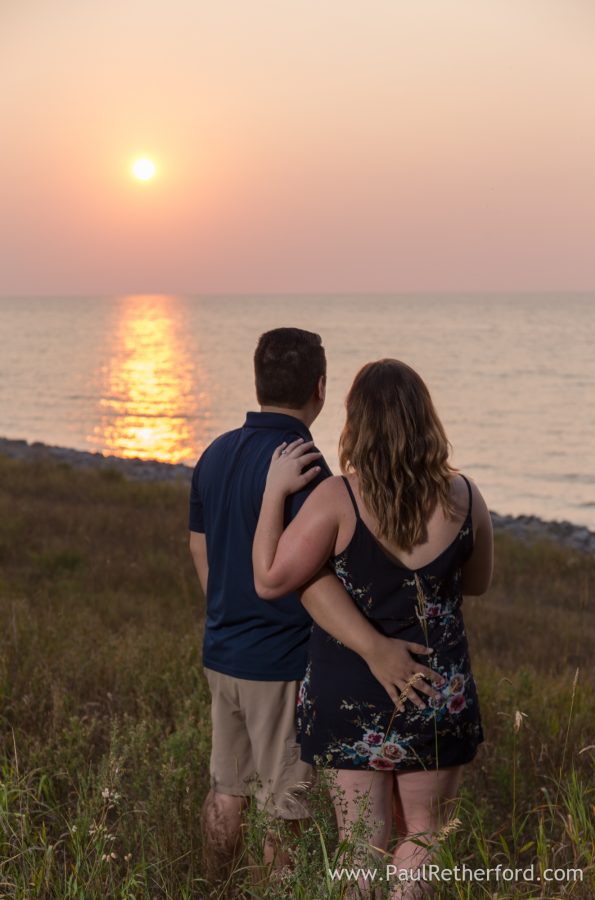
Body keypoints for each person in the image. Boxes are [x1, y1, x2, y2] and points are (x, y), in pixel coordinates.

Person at [189, 335, 442, 884]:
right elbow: (315, 578)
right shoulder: (305, 465)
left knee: (227, 790)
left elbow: (198, 545)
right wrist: (374, 647)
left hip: (222, 653)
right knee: (286, 811)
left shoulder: (214, 452)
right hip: (280, 662)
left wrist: (225, 612)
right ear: (321, 389)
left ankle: (212, 888)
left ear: (257, 381)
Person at [253, 359, 493, 894]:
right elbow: (476, 583)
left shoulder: (338, 498)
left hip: (351, 689)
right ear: (426, 419)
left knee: (361, 842)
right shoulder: (467, 497)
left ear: (355, 422)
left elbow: (271, 579)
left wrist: (273, 492)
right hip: (436, 688)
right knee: (425, 834)